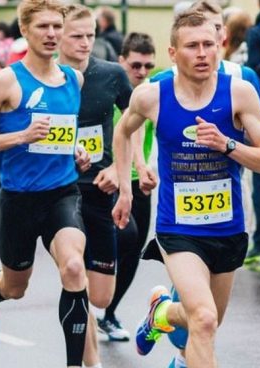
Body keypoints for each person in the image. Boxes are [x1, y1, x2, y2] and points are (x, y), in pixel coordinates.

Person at [112, 10, 260, 367]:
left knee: (207, 320)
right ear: (173, 54)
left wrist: (227, 145)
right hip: (179, 229)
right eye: (192, 46)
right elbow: (123, 130)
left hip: (228, 227)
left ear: (220, 46)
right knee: (202, 318)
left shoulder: (239, 93)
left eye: (208, 44)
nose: (202, 53)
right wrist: (126, 185)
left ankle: (162, 314)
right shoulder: (152, 96)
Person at [0, 0, 92, 366]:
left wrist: (76, 149)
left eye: (56, 26)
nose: (51, 34)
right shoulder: (6, 81)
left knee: (74, 267)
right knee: (15, 287)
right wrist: (19, 137)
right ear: (25, 31)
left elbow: (63, 132)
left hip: (62, 192)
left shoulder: (73, 79)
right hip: (19, 198)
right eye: (42, 27)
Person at [57, 5, 133, 367]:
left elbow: (133, 124)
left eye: (90, 35)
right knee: (75, 275)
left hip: (100, 189)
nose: (86, 42)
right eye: (77, 35)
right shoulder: (47, 78)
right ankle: (91, 362)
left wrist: (121, 170)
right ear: (57, 36)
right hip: (59, 191)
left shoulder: (112, 75)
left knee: (101, 296)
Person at [97, 32, 157, 344]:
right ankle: (95, 292)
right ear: (122, 62)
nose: (142, 72)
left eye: (148, 65)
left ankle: (109, 313)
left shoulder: (151, 93)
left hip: (138, 181)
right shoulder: (111, 90)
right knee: (124, 235)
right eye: (136, 65)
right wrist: (114, 168)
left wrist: (146, 167)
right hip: (109, 179)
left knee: (135, 250)